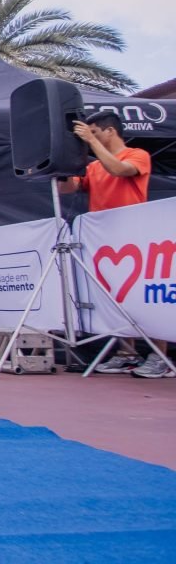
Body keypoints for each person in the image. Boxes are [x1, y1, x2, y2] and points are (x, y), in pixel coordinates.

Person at [60, 111, 170, 378]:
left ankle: (161, 356)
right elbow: (69, 188)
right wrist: (61, 165)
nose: (90, 138)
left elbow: (120, 170)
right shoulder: (93, 167)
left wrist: (92, 144)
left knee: (145, 296)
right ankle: (126, 353)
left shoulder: (136, 155)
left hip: (135, 236)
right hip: (103, 241)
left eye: (95, 133)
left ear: (110, 131)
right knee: (113, 297)